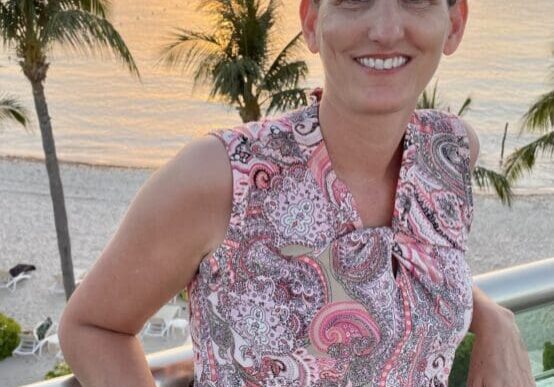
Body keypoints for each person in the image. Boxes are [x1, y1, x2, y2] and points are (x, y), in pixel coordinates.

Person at [58, 0, 534, 385]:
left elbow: (407, 269)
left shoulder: (448, 154)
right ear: (311, 22)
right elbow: (93, 327)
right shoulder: (224, 176)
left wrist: (492, 319)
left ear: (454, 24)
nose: (386, 28)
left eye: (416, 0)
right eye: (353, 0)